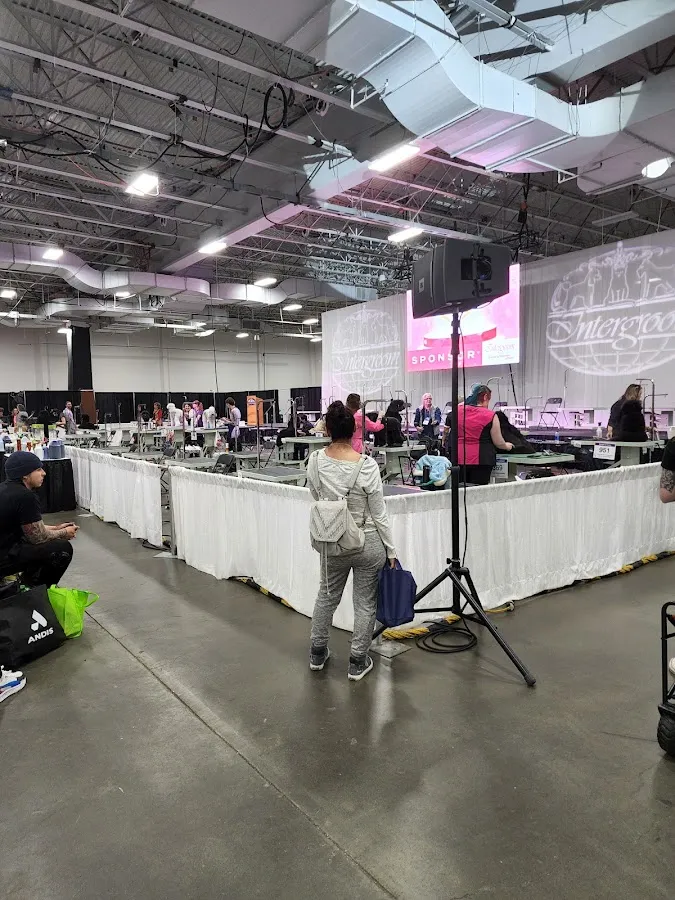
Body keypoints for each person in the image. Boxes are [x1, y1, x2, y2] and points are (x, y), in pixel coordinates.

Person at [307, 401, 397, 682]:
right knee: (365, 603)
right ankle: (357, 661)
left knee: (326, 596)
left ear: (328, 430)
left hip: (332, 539)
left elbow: (315, 495)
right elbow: (379, 513)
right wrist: (391, 550)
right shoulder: (367, 465)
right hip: (367, 541)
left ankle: (317, 653)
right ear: (354, 430)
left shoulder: (314, 460)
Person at [0, 451, 77, 587]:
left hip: (4, 548)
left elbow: (24, 527)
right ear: (25, 474)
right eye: (38, 469)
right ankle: (33, 590)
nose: (44, 473)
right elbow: (37, 537)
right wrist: (64, 533)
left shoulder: (4, 488)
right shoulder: (25, 496)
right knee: (61, 549)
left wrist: (56, 528)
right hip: (4, 556)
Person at [456, 384, 513, 485]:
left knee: (460, 488)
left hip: (459, 457)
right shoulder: (490, 415)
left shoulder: (457, 411)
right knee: (479, 491)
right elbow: (498, 442)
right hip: (482, 459)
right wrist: (507, 446)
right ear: (485, 397)